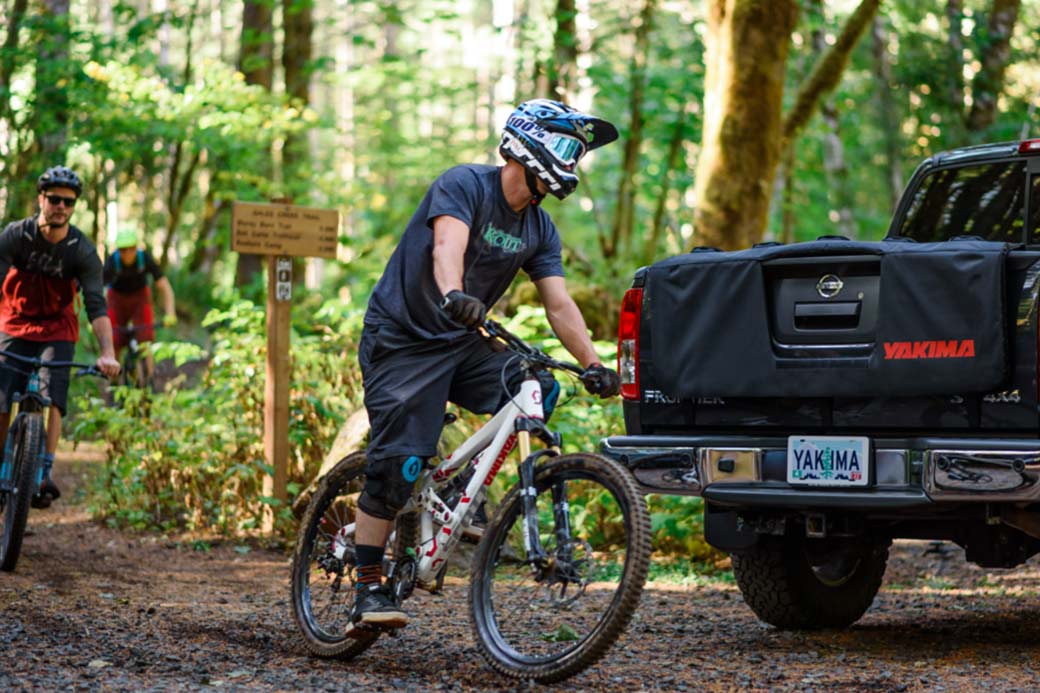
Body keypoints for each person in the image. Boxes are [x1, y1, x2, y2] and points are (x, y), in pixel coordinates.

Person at [351, 99, 622, 629]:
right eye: (569, 146)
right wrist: (454, 293)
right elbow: (446, 245)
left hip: (462, 342)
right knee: (400, 461)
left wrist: (592, 362)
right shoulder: (465, 185)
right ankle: (367, 588)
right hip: (402, 339)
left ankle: (462, 494)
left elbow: (559, 304)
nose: (574, 160)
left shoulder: (540, 229)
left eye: (578, 153)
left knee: (537, 386)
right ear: (528, 141)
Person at [0, 165, 121, 507]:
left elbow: (96, 305)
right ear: (41, 199)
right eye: (54, 199)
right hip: (15, 320)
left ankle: (44, 472)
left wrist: (108, 353)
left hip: (57, 326)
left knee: (53, 394)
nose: (61, 207)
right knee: (2, 393)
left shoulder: (80, 250)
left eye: (68, 202)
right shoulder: (16, 235)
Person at [103, 228, 176, 383]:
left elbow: (164, 287)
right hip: (117, 301)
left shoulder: (145, 259)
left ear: (136, 247)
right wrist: (98, 318)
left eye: (131, 248)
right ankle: (113, 384)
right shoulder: (111, 262)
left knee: (146, 341)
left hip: (140, 300)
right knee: (114, 339)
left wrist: (170, 313)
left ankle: (150, 381)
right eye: (123, 249)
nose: (127, 253)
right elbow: (98, 292)